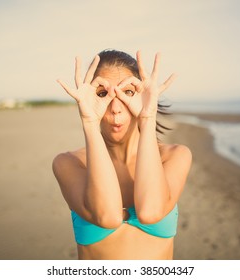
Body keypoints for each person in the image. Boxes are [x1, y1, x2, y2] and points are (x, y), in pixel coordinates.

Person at [53, 49, 192, 260]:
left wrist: (147, 118)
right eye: (103, 94)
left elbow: (150, 211)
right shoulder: (69, 163)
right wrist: (90, 123)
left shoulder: (174, 156)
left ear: (144, 95)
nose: (116, 108)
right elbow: (107, 216)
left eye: (128, 93)